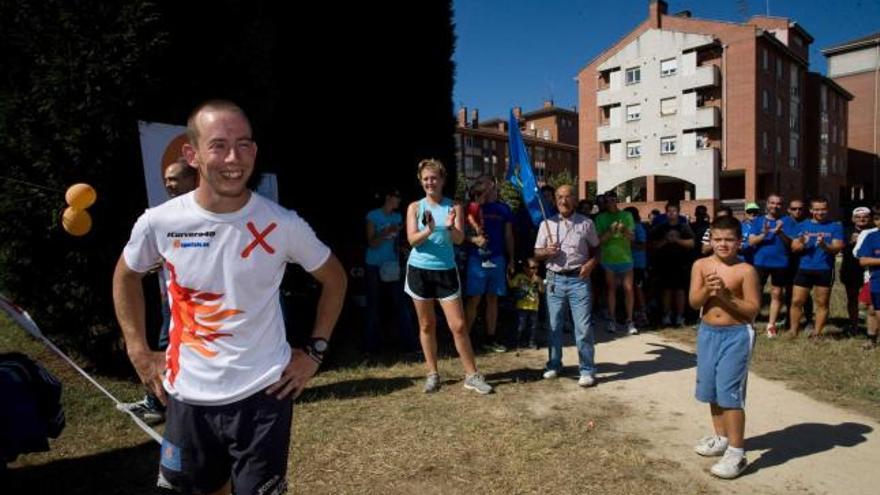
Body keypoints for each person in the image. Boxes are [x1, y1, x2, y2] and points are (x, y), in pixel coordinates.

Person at [112, 100, 347, 495]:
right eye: (218, 145)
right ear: (193, 154)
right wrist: (138, 350)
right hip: (187, 396)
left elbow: (335, 279)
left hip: (264, 395)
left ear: (254, 150)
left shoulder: (281, 223)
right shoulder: (160, 223)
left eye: (243, 144)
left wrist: (315, 352)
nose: (233, 158)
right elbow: (125, 277)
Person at [117, 157, 199, 424]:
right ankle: (159, 403)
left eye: (174, 178)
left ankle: (165, 404)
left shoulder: (209, 214)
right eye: (165, 179)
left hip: (198, 305)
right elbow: (127, 274)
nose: (168, 184)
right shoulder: (160, 217)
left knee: (171, 347)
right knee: (166, 346)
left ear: (192, 178)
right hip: (171, 299)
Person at [404, 158, 493, 395]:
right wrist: (429, 230)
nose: (430, 183)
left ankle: (472, 375)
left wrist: (451, 226)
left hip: (446, 271)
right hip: (419, 270)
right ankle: (432, 374)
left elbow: (458, 239)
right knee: (426, 324)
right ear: (421, 182)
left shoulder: (454, 207)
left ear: (442, 180)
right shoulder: (415, 207)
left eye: (434, 178)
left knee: (459, 325)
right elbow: (411, 240)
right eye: (425, 179)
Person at [689, 215, 760, 479]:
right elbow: (694, 303)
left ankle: (737, 451)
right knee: (711, 389)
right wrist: (708, 291)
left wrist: (726, 296)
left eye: (729, 239)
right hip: (708, 333)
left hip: (736, 334)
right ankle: (721, 438)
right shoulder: (700, 265)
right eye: (717, 239)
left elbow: (752, 310)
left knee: (729, 393)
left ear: (739, 242)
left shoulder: (745, 271)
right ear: (710, 239)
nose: (723, 244)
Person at [534, 185, 600, 387]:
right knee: (554, 326)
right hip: (554, 280)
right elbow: (536, 253)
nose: (564, 201)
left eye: (568, 197)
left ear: (575, 200)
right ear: (555, 200)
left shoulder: (586, 223)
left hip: (579, 280)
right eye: (560, 197)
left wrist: (590, 264)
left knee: (583, 327)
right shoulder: (546, 223)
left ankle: (587, 369)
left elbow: (597, 249)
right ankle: (554, 364)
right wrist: (547, 252)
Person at [464, 175, 515, 353]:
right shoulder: (471, 206)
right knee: (474, 299)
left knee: (493, 298)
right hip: (476, 258)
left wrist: (512, 259)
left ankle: (490, 338)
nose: (485, 186)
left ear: (494, 185)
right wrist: (473, 239)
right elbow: (460, 233)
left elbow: (508, 235)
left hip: (497, 258)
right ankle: (464, 340)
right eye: (481, 182)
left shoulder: (503, 208)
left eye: (488, 183)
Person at [364, 187, 416, 353]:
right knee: (374, 305)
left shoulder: (398, 217)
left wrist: (402, 249)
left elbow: (398, 241)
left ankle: (408, 343)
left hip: (392, 265)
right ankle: (372, 345)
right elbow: (371, 243)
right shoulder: (373, 216)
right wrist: (385, 232)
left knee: (400, 303)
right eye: (396, 197)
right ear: (388, 197)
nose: (399, 201)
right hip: (373, 264)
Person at [787, 197, 845, 339]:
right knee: (796, 301)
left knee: (822, 303)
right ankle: (793, 331)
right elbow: (794, 248)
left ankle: (817, 334)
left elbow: (837, 248)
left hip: (824, 269)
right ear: (811, 210)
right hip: (804, 268)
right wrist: (801, 242)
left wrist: (825, 246)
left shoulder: (835, 226)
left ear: (827, 210)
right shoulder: (802, 225)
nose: (820, 212)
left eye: (823, 209)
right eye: (817, 209)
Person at [747, 194, 797, 338]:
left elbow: (792, 244)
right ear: (767, 204)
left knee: (777, 293)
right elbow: (751, 242)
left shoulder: (788, 221)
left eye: (778, 204)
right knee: (756, 293)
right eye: (772, 203)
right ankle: (751, 322)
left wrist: (780, 232)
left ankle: (771, 325)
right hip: (760, 262)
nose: (775, 206)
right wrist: (765, 234)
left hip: (781, 263)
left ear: (782, 206)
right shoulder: (758, 221)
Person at [594, 191, 637, 335]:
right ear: (605, 203)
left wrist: (624, 229)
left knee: (629, 289)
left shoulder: (626, 216)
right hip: (608, 259)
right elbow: (598, 241)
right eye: (608, 201)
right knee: (611, 289)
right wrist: (610, 231)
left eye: (613, 199)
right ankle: (612, 319)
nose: (611, 202)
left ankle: (630, 320)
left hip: (625, 258)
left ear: (617, 200)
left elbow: (632, 238)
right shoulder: (600, 218)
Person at [650, 201, 695, 326]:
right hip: (664, 263)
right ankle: (666, 315)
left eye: (674, 211)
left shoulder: (684, 227)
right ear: (666, 213)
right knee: (666, 290)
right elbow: (653, 245)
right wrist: (666, 240)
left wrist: (677, 240)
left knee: (680, 291)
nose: (672, 214)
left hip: (681, 263)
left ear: (678, 212)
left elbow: (691, 243)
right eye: (669, 211)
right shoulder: (660, 227)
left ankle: (680, 316)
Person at [841, 207, 873, 337]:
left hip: (871, 270)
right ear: (853, 219)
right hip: (851, 269)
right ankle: (853, 325)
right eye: (858, 217)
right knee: (852, 298)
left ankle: (873, 327)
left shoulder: (874, 231)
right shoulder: (846, 231)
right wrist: (850, 242)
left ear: (869, 218)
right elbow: (840, 250)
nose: (862, 219)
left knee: (872, 300)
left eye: (865, 217)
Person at [855, 206, 880, 349]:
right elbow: (863, 261)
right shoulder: (871, 237)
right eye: (877, 219)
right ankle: (871, 338)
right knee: (872, 309)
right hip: (877, 281)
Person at [507, 258, 544, 349]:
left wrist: (539, 283)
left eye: (537, 268)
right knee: (521, 326)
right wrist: (507, 274)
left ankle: (532, 342)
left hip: (534, 306)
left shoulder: (538, 278)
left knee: (533, 327)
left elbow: (542, 291)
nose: (535, 270)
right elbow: (511, 284)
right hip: (521, 306)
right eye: (532, 267)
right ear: (525, 268)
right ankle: (518, 342)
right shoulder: (520, 277)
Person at [625, 206, 649, 328]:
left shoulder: (638, 227)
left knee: (638, 288)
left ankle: (643, 313)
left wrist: (628, 243)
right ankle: (634, 312)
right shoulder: (629, 227)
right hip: (628, 262)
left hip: (638, 263)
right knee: (630, 289)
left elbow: (643, 245)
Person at [466, 181, 495, 268]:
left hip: (477, 228)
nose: (485, 199)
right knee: (482, 243)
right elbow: (469, 216)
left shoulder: (477, 206)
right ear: (476, 197)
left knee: (484, 242)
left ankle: (485, 259)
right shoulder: (474, 206)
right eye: (483, 197)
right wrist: (476, 226)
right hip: (473, 229)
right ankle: (485, 260)